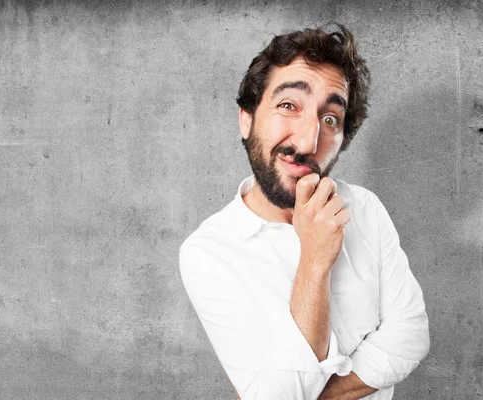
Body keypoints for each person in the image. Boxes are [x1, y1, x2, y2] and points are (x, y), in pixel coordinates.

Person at [179, 24, 429, 400]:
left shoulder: (364, 209)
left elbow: (410, 337)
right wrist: (315, 259)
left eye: (330, 119)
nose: (309, 141)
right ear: (246, 119)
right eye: (288, 105)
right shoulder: (208, 252)